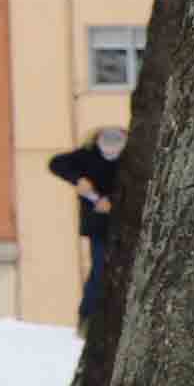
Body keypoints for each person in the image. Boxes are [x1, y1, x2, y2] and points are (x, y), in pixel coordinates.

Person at [50, 123, 127, 316]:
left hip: (127, 223)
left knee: (126, 270)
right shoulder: (87, 156)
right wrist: (78, 179)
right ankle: (88, 316)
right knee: (100, 270)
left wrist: (113, 202)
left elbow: (137, 185)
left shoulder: (131, 159)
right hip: (98, 225)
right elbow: (56, 163)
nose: (110, 153)